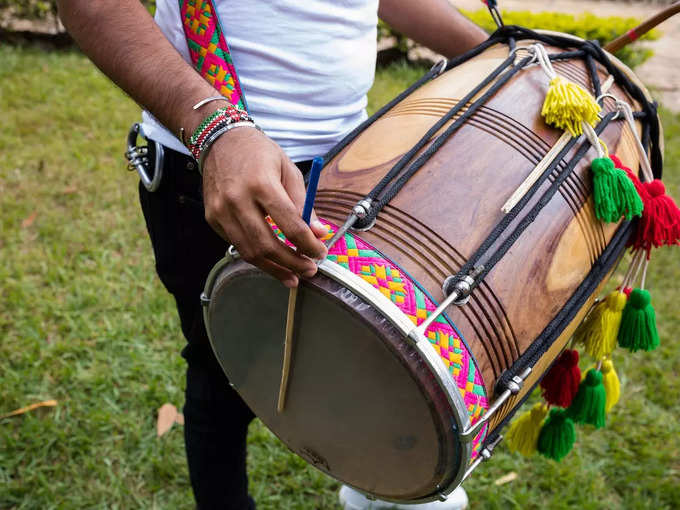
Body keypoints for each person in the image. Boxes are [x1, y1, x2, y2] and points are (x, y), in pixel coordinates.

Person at [56, 1, 488, 508]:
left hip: (356, 167)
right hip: (210, 168)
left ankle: (382, 493)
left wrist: (506, 49)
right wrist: (214, 128)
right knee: (225, 378)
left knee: (388, 362)